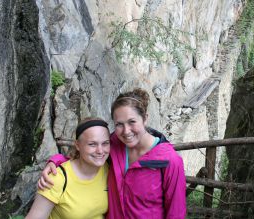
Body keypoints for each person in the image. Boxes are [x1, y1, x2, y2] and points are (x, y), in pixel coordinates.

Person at [39, 88, 187, 219]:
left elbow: (176, 213)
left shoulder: (169, 160)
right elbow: (85, 153)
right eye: (119, 124)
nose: (126, 131)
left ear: (145, 118)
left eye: (132, 122)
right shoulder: (114, 144)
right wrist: (55, 160)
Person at [26, 117, 110, 219]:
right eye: (92, 144)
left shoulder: (108, 168)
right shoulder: (56, 179)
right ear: (78, 145)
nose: (100, 151)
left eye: (105, 143)